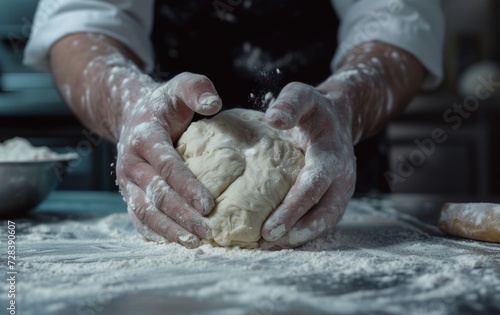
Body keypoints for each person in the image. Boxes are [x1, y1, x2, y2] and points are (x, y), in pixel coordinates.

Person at [24, 0, 444, 249]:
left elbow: (399, 20)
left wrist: (344, 106)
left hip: (330, 158)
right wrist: (132, 106)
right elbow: (79, 23)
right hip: (161, 159)